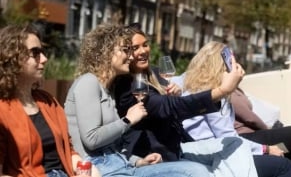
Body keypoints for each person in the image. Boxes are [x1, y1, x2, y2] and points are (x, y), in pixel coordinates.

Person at [64, 23, 217, 177]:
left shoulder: (109, 89)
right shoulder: (88, 82)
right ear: (107, 52)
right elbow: (91, 139)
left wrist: (138, 161)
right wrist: (127, 120)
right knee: (195, 172)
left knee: (197, 170)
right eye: (126, 50)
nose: (131, 57)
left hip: (122, 163)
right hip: (98, 167)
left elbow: (115, 147)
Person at [114, 25, 258, 177]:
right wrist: (222, 91)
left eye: (145, 44)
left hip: (179, 146)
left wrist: (175, 94)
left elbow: (172, 107)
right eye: (135, 48)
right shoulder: (127, 88)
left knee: (236, 144)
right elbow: (169, 107)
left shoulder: (155, 72)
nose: (143, 51)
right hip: (156, 155)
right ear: (126, 53)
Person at [181, 41, 291, 177]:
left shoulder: (192, 86)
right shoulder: (213, 94)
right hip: (217, 152)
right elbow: (230, 134)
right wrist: (266, 149)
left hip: (216, 147)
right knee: (284, 163)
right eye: (232, 62)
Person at [0, 24, 101, 177]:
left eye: (43, 52)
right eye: (35, 53)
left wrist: (87, 171)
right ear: (12, 57)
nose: (45, 59)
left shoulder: (48, 101)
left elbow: (68, 150)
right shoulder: (2, 111)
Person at [231, 87, 291, 175]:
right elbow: (250, 119)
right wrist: (268, 130)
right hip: (245, 136)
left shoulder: (235, 89)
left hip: (255, 134)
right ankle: (279, 150)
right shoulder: (225, 92)